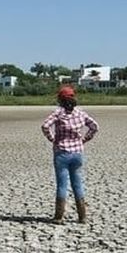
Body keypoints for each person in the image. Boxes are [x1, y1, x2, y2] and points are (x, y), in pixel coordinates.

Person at [40, 85, 99, 223]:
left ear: (60, 99)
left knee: (62, 185)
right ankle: (82, 216)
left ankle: (59, 216)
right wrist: (84, 139)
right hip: (77, 152)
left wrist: (52, 139)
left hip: (62, 152)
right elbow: (95, 127)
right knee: (77, 184)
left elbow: (45, 126)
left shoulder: (58, 113)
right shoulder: (80, 113)